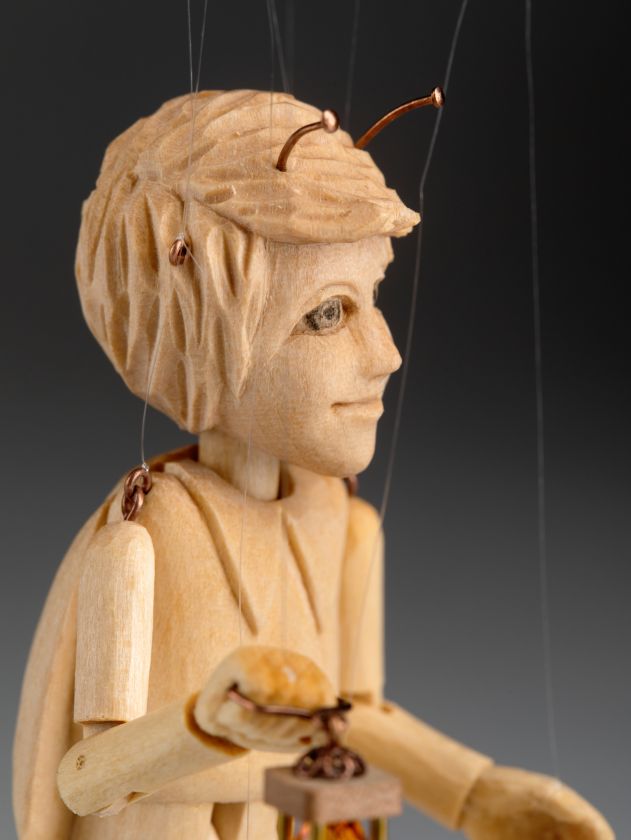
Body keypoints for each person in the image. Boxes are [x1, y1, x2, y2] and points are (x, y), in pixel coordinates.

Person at [13, 90, 613, 840]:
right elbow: (85, 776)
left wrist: (476, 793)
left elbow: (353, 716)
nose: (387, 354)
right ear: (193, 339)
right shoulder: (143, 545)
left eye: (373, 296)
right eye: (327, 313)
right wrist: (206, 725)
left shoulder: (346, 528)